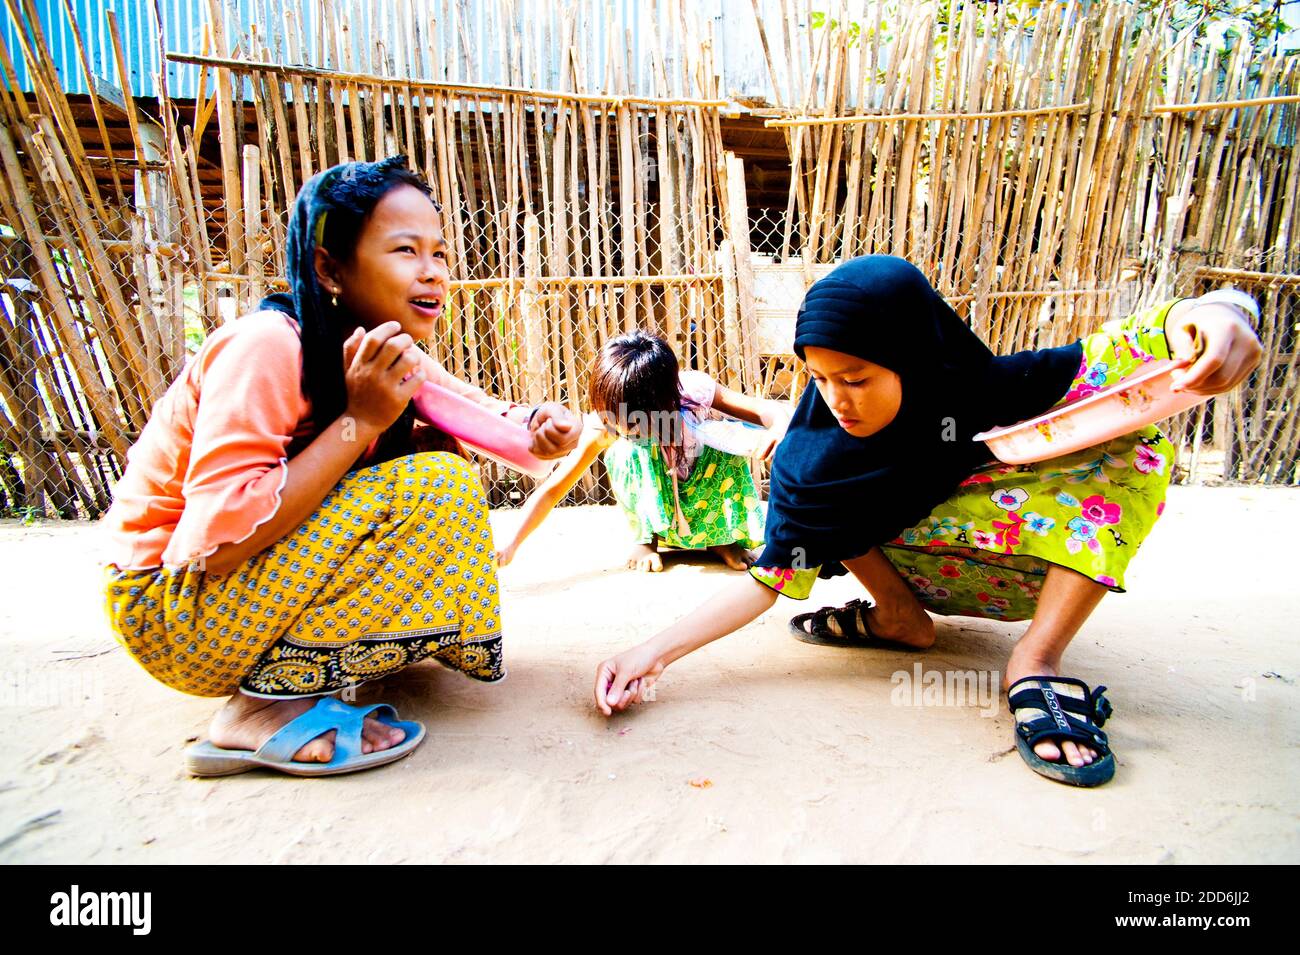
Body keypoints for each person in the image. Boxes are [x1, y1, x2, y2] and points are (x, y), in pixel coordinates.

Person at [592, 255, 1262, 787]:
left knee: (1135, 447)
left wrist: (1222, 312)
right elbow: (771, 575)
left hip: (1024, 562)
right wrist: (649, 653)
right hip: (917, 562)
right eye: (820, 378)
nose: (837, 400)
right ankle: (897, 618)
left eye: (855, 377)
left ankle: (1036, 661)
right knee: (834, 507)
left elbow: (1125, 352)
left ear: (913, 354)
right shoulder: (811, 457)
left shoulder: (970, 387)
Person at [102, 156, 581, 776]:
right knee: (437, 480)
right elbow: (212, 548)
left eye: (439, 253)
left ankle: (312, 666)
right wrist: (362, 420)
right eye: (405, 250)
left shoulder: (375, 346)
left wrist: (539, 430)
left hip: (228, 602)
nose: (432, 272)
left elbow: (478, 413)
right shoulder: (267, 345)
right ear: (330, 267)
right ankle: (258, 711)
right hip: (174, 614)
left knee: (437, 452)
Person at [496, 331, 787, 573]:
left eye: (634, 421)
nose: (620, 426)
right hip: (659, 513)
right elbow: (553, 489)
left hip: (701, 496)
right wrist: (511, 544)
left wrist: (777, 429)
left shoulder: (693, 392)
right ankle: (647, 538)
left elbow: (766, 411)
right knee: (627, 452)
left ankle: (721, 538)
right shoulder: (606, 426)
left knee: (722, 440)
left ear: (667, 399)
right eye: (612, 416)